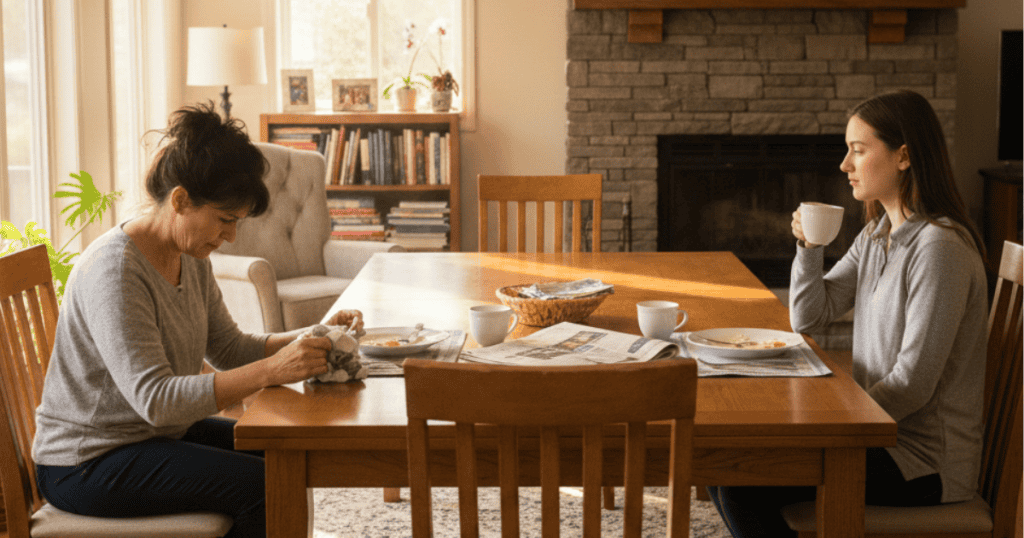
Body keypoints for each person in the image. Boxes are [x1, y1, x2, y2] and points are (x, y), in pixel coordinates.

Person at [33, 102, 362, 538]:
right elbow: (157, 400)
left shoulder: (191, 255)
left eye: (238, 223)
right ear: (181, 200)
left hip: (148, 436)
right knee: (264, 485)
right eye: (225, 220)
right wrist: (271, 370)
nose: (230, 236)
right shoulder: (115, 272)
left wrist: (313, 334)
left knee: (284, 454)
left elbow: (228, 348)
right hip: (86, 461)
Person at [707, 90, 989, 537]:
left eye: (858, 150)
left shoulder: (939, 250)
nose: (844, 164)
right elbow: (810, 320)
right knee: (724, 467)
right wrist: (809, 247)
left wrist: (833, 423)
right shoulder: (878, 234)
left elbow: (912, 385)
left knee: (743, 482)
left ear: (903, 156)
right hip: (876, 433)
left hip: (921, 460)